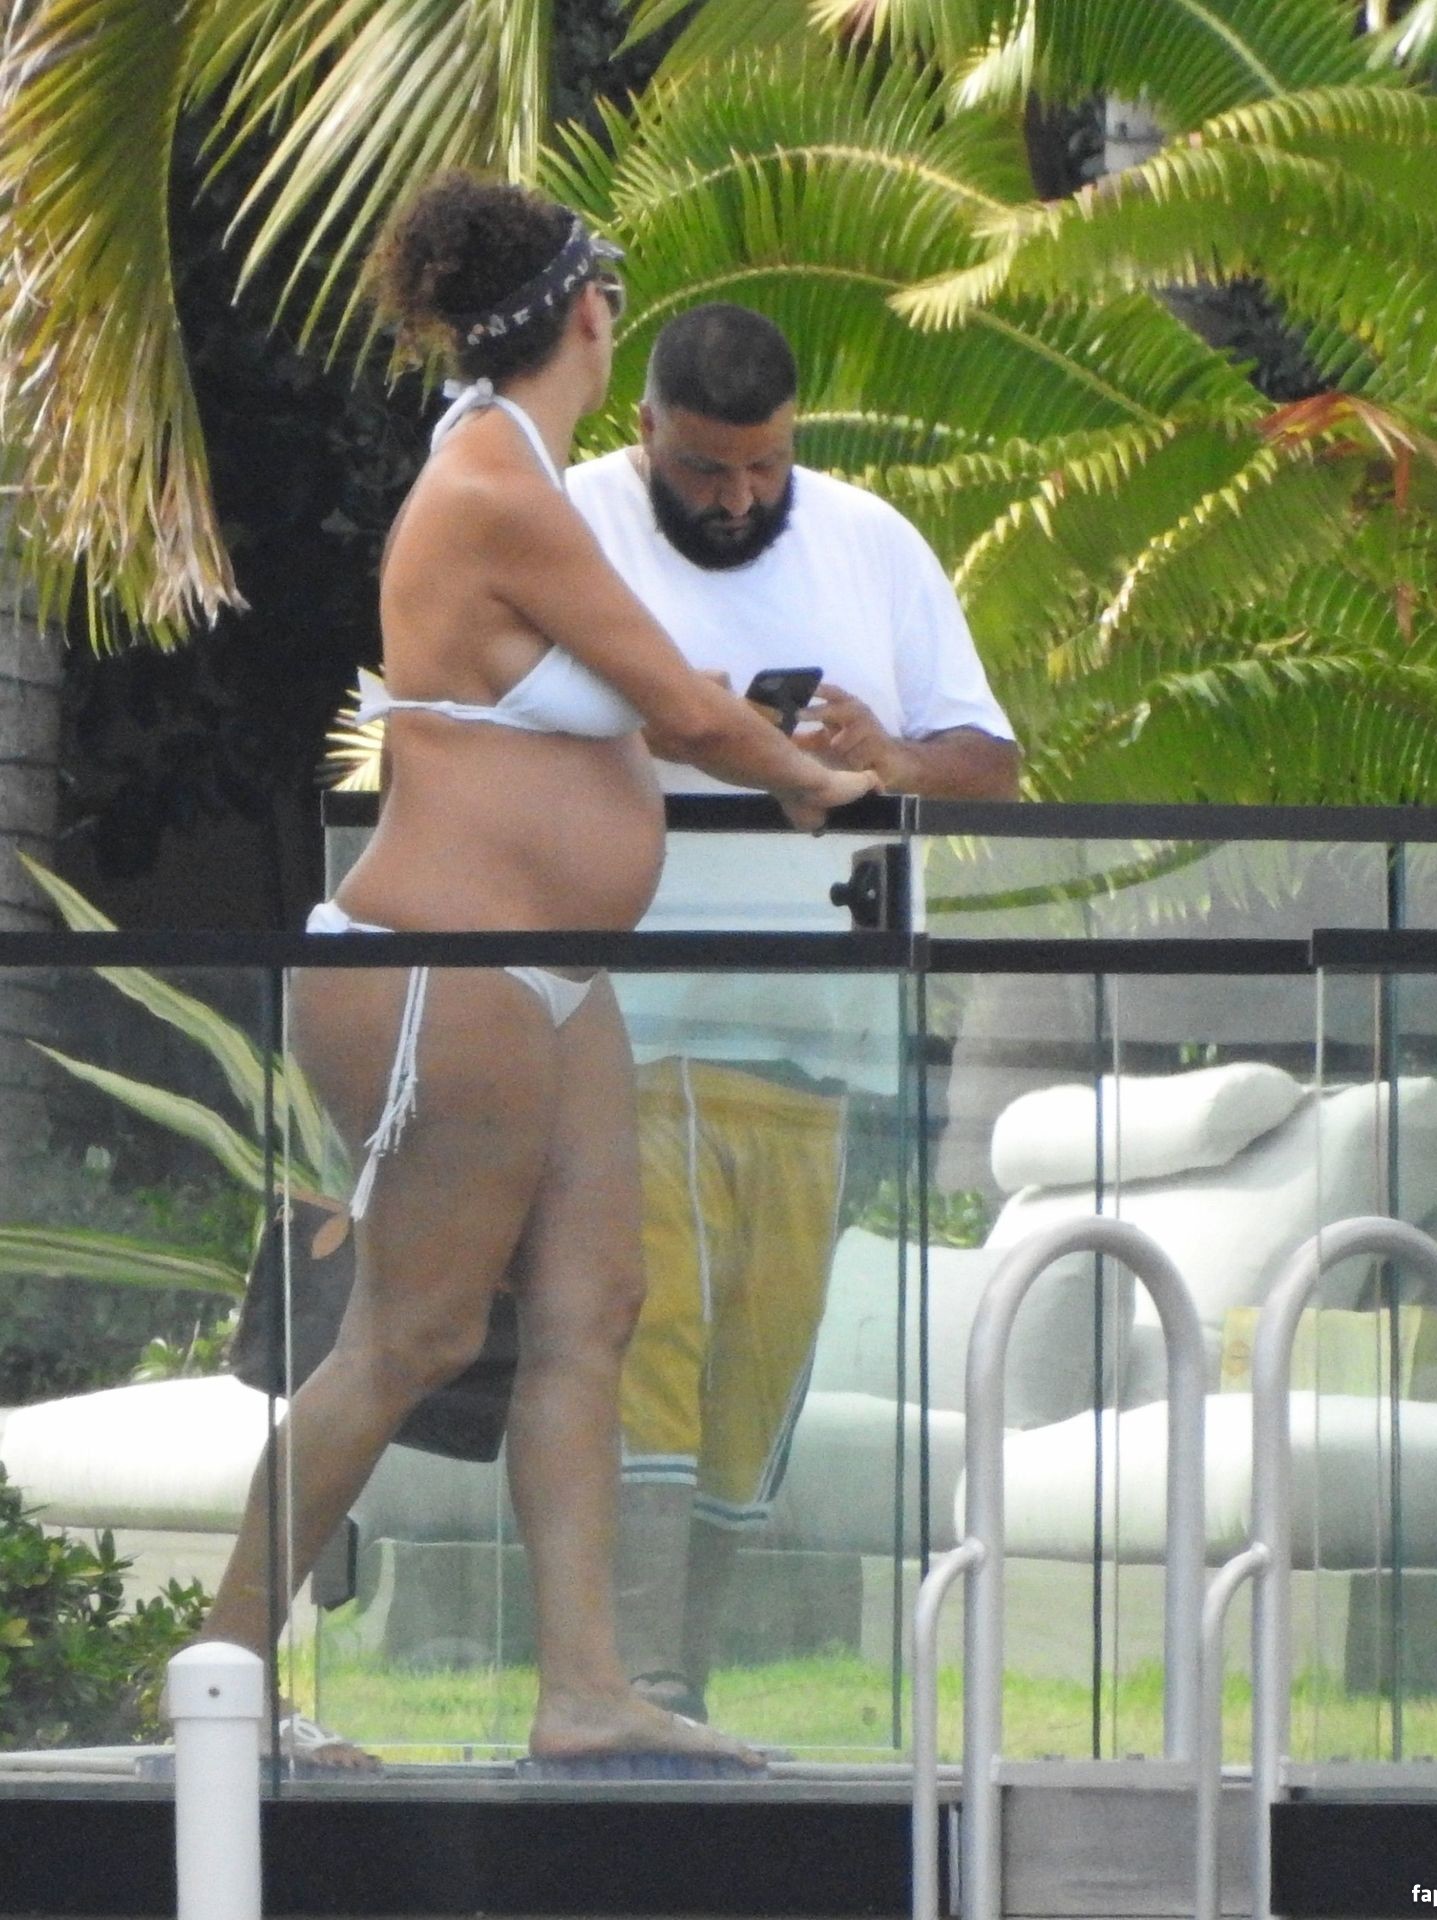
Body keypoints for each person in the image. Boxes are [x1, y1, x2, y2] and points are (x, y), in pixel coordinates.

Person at [192, 180, 874, 1777]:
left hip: (557, 983)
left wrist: (732, 722)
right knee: (411, 1336)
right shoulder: (496, 480)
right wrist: (818, 779)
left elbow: (636, 693)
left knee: (593, 1309)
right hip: (446, 972)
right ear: (590, 311)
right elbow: (686, 717)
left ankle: (585, 1693)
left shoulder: (520, 473)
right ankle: (218, 1683)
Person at [565, 304, 1020, 1724]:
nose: (738, 500)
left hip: (820, 1030)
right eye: (705, 470)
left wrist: (889, 759)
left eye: (765, 467)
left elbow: (988, 760)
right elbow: (476, 724)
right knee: (650, 1336)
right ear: (644, 427)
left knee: (758, 1369)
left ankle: (679, 1681)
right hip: (625, 1014)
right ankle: (631, 1675)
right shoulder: (572, 519)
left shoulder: (868, 538)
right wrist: (667, 723)